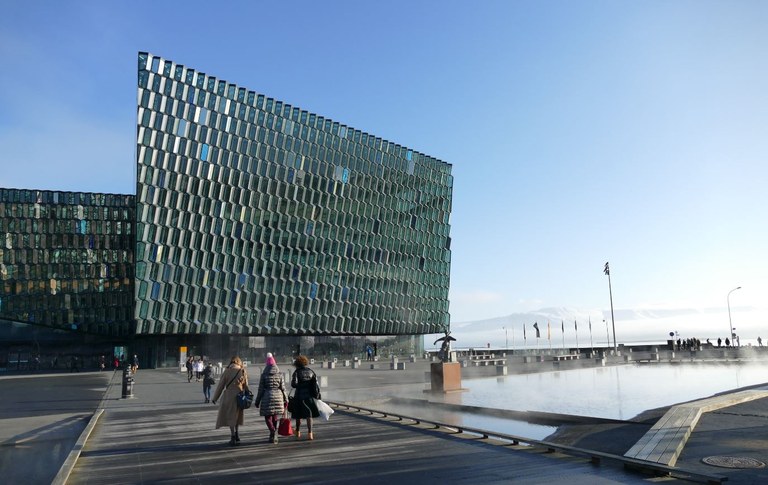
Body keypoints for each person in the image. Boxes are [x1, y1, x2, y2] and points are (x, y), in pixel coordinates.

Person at [212, 356, 248, 446]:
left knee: (231, 416)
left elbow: (221, 385)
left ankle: (232, 436)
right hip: (239, 396)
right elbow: (246, 385)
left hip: (228, 396)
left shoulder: (227, 371)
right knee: (237, 416)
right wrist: (247, 395)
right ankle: (237, 434)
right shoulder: (242, 371)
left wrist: (215, 398)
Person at [254, 352, 287, 444]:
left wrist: (257, 401)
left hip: (267, 396)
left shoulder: (264, 375)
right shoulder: (280, 374)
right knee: (275, 415)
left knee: (268, 416)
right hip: (278, 396)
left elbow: (260, 389)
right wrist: (286, 399)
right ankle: (273, 434)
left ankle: (272, 431)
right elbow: (283, 388)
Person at [291, 354, 320, 441]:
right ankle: (310, 433)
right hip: (309, 396)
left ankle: (298, 431)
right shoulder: (311, 371)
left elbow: (293, 384)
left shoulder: (296, 372)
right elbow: (316, 385)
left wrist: (300, 384)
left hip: (299, 396)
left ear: (297, 364)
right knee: (309, 415)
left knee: (298, 415)